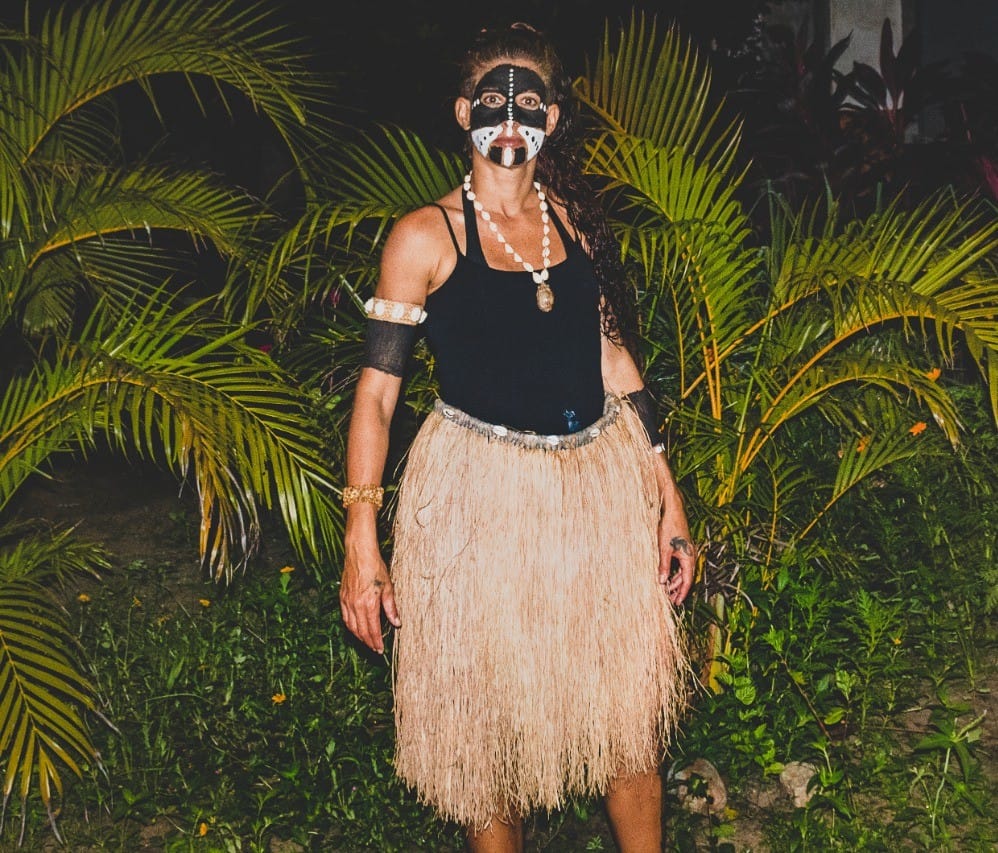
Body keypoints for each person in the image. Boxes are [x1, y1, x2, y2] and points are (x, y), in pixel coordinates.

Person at [339, 22, 696, 852]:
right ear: (464, 111)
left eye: (527, 103)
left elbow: (614, 360)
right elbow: (378, 395)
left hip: (595, 493)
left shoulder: (573, 222)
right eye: (491, 102)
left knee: (627, 722)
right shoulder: (424, 237)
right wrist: (362, 534)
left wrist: (667, 497)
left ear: (552, 119)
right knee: (485, 736)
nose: (508, 120)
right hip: (476, 505)